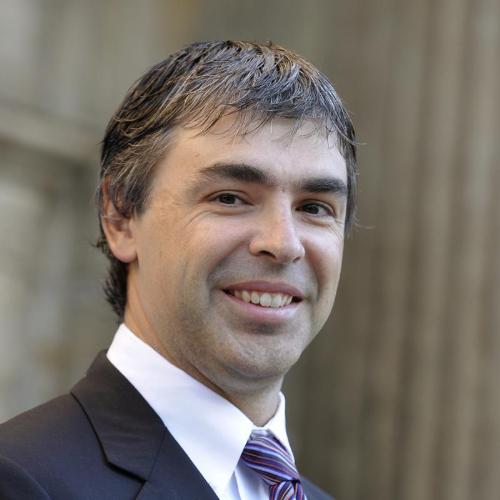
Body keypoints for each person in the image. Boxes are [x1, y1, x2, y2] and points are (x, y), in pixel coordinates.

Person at [0, 40, 356, 499]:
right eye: (230, 198)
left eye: (314, 207)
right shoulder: (20, 480)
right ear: (120, 217)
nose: (283, 244)